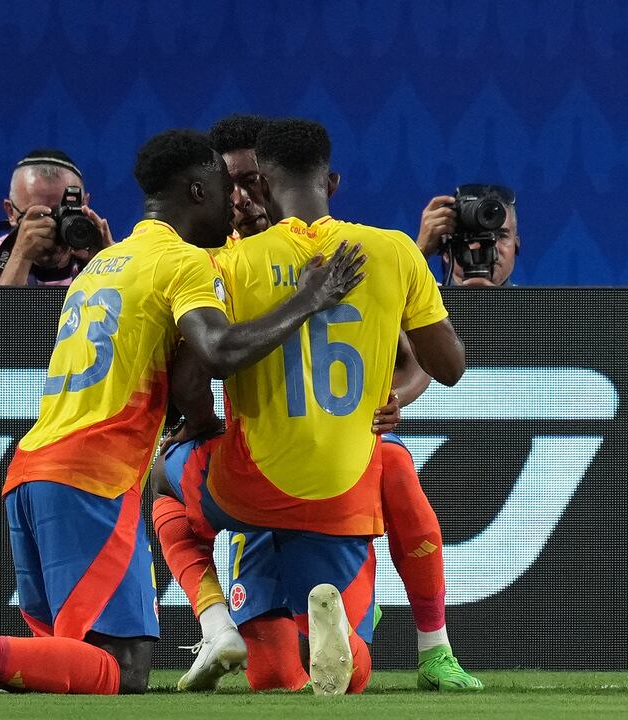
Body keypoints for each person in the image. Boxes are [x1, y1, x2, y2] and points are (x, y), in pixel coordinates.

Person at [0, 129, 364, 696]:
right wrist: (309, 298)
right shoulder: (183, 263)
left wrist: (191, 413)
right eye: (228, 191)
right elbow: (218, 351)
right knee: (123, 670)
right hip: (93, 478)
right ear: (199, 191)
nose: (238, 205)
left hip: (32, 472)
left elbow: (168, 370)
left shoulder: (104, 265)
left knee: (66, 669)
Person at [155, 118, 467, 696]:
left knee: (160, 479)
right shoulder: (393, 249)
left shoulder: (225, 266)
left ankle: (214, 619)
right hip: (339, 490)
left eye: (250, 182)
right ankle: (376, 635)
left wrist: (200, 427)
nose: (242, 197)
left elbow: (196, 373)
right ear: (329, 179)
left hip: (253, 479)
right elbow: (450, 364)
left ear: (265, 187)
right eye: (234, 185)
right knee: (283, 676)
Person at [0, 149, 114, 286]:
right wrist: (21, 257)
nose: (53, 225)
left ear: (85, 205)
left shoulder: (100, 258)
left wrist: (113, 266)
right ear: (10, 212)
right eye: (39, 216)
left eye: (65, 213)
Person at [417, 185, 520, 286]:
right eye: (471, 235)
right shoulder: (420, 301)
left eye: (500, 236)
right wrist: (420, 251)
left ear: (516, 245)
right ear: (446, 251)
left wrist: (495, 301)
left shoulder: (531, 302)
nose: (485, 246)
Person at [208, 114, 271, 241]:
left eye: (251, 181)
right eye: (227, 189)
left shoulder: (317, 244)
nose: (239, 201)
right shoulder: (212, 258)